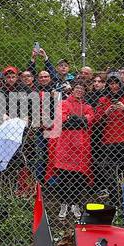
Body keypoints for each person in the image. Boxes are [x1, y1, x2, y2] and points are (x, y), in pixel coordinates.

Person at [46, 82, 95, 219]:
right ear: (72, 90)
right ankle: (63, 204)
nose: (79, 90)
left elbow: (90, 119)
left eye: (82, 88)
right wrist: (80, 120)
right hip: (65, 144)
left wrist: (73, 120)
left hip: (81, 146)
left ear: (85, 92)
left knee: (78, 177)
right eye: (77, 88)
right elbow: (62, 119)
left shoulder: (87, 106)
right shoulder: (64, 103)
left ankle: (75, 204)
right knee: (63, 175)